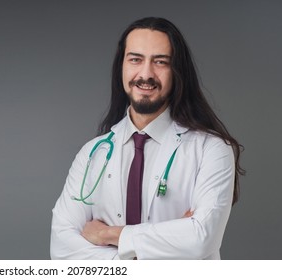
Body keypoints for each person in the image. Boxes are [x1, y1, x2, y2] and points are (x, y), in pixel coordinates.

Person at [50, 17, 244, 260]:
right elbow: (61, 248)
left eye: (160, 62)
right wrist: (168, 245)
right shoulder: (92, 153)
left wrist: (110, 235)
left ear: (177, 72)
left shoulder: (212, 149)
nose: (146, 74)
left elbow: (201, 239)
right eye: (135, 59)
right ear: (121, 66)